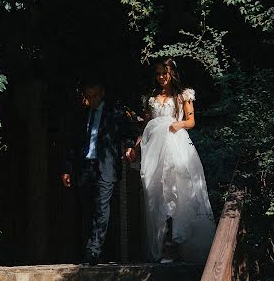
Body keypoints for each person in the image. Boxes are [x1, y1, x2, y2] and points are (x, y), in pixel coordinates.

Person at [136, 58, 215, 264]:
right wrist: (136, 145)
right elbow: (146, 124)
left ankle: (175, 244)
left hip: (175, 144)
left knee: (177, 190)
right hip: (155, 147)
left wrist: (178, 125)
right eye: (159, 73)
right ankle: (162, 244)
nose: (161, 77)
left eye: (165, 73)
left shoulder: (183, 95)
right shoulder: (151, 97)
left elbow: (191, 121)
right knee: (155, 191)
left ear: (172, 73)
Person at [61, 78, 136, 265]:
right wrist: (68, 169)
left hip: (106, 166)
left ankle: (93, 252)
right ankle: (93, 249)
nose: (91, 100)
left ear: (102, 93)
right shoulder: (82, 115)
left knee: (102, 208)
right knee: (87, 209)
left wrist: (129, 148)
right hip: (85, 167)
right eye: (88, 96)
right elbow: (74, 144)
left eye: (94, 96)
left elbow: (128, 134)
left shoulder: (115, 113)